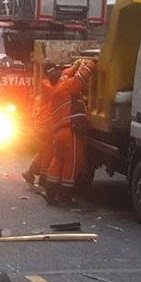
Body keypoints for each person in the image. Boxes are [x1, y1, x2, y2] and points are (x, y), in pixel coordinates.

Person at [40, 59, 95, 206]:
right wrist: (89, 63)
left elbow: (65, 74)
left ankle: (50, 192)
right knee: (72, 163)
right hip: (70, 132)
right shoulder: (67, 86)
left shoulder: (55, 89)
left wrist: (74, 66)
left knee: (57, 161)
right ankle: (65, 196)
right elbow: (81, 78)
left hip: (58, 132)